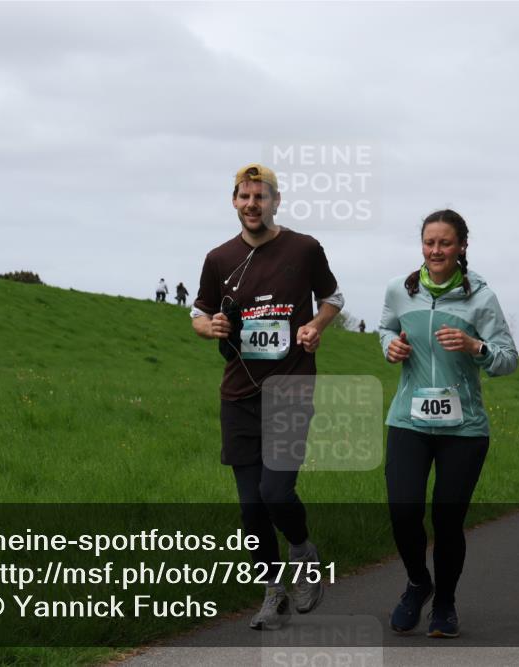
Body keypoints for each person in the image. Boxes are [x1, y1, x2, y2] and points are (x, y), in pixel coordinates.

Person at [191, 163, 343, 630]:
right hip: (238, 394)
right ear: (233, 202)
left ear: (276, 201)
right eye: (244, 196)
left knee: (276, 491)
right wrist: (208, 326)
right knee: (250, 505)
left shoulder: (304, 248)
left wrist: (316, 327)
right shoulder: (219, 258)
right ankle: (272, 590)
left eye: (261, 196)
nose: (252, 204)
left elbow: (333, 297)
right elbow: (199, 312)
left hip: (291, 388)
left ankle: (301, 550)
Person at [378, 209, 518, 638]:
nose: (435, 250)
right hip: (409, 421)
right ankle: (419, 583)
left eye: (444, 243)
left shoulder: (481, 298)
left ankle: (445, 603)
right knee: (403, 511)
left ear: (461, 248)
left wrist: (476, 346)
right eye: (429, 242)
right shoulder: (400, 291)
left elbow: (508, 360)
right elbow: (385, 328)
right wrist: (390, 347)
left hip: (464, 429)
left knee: (447, 520)